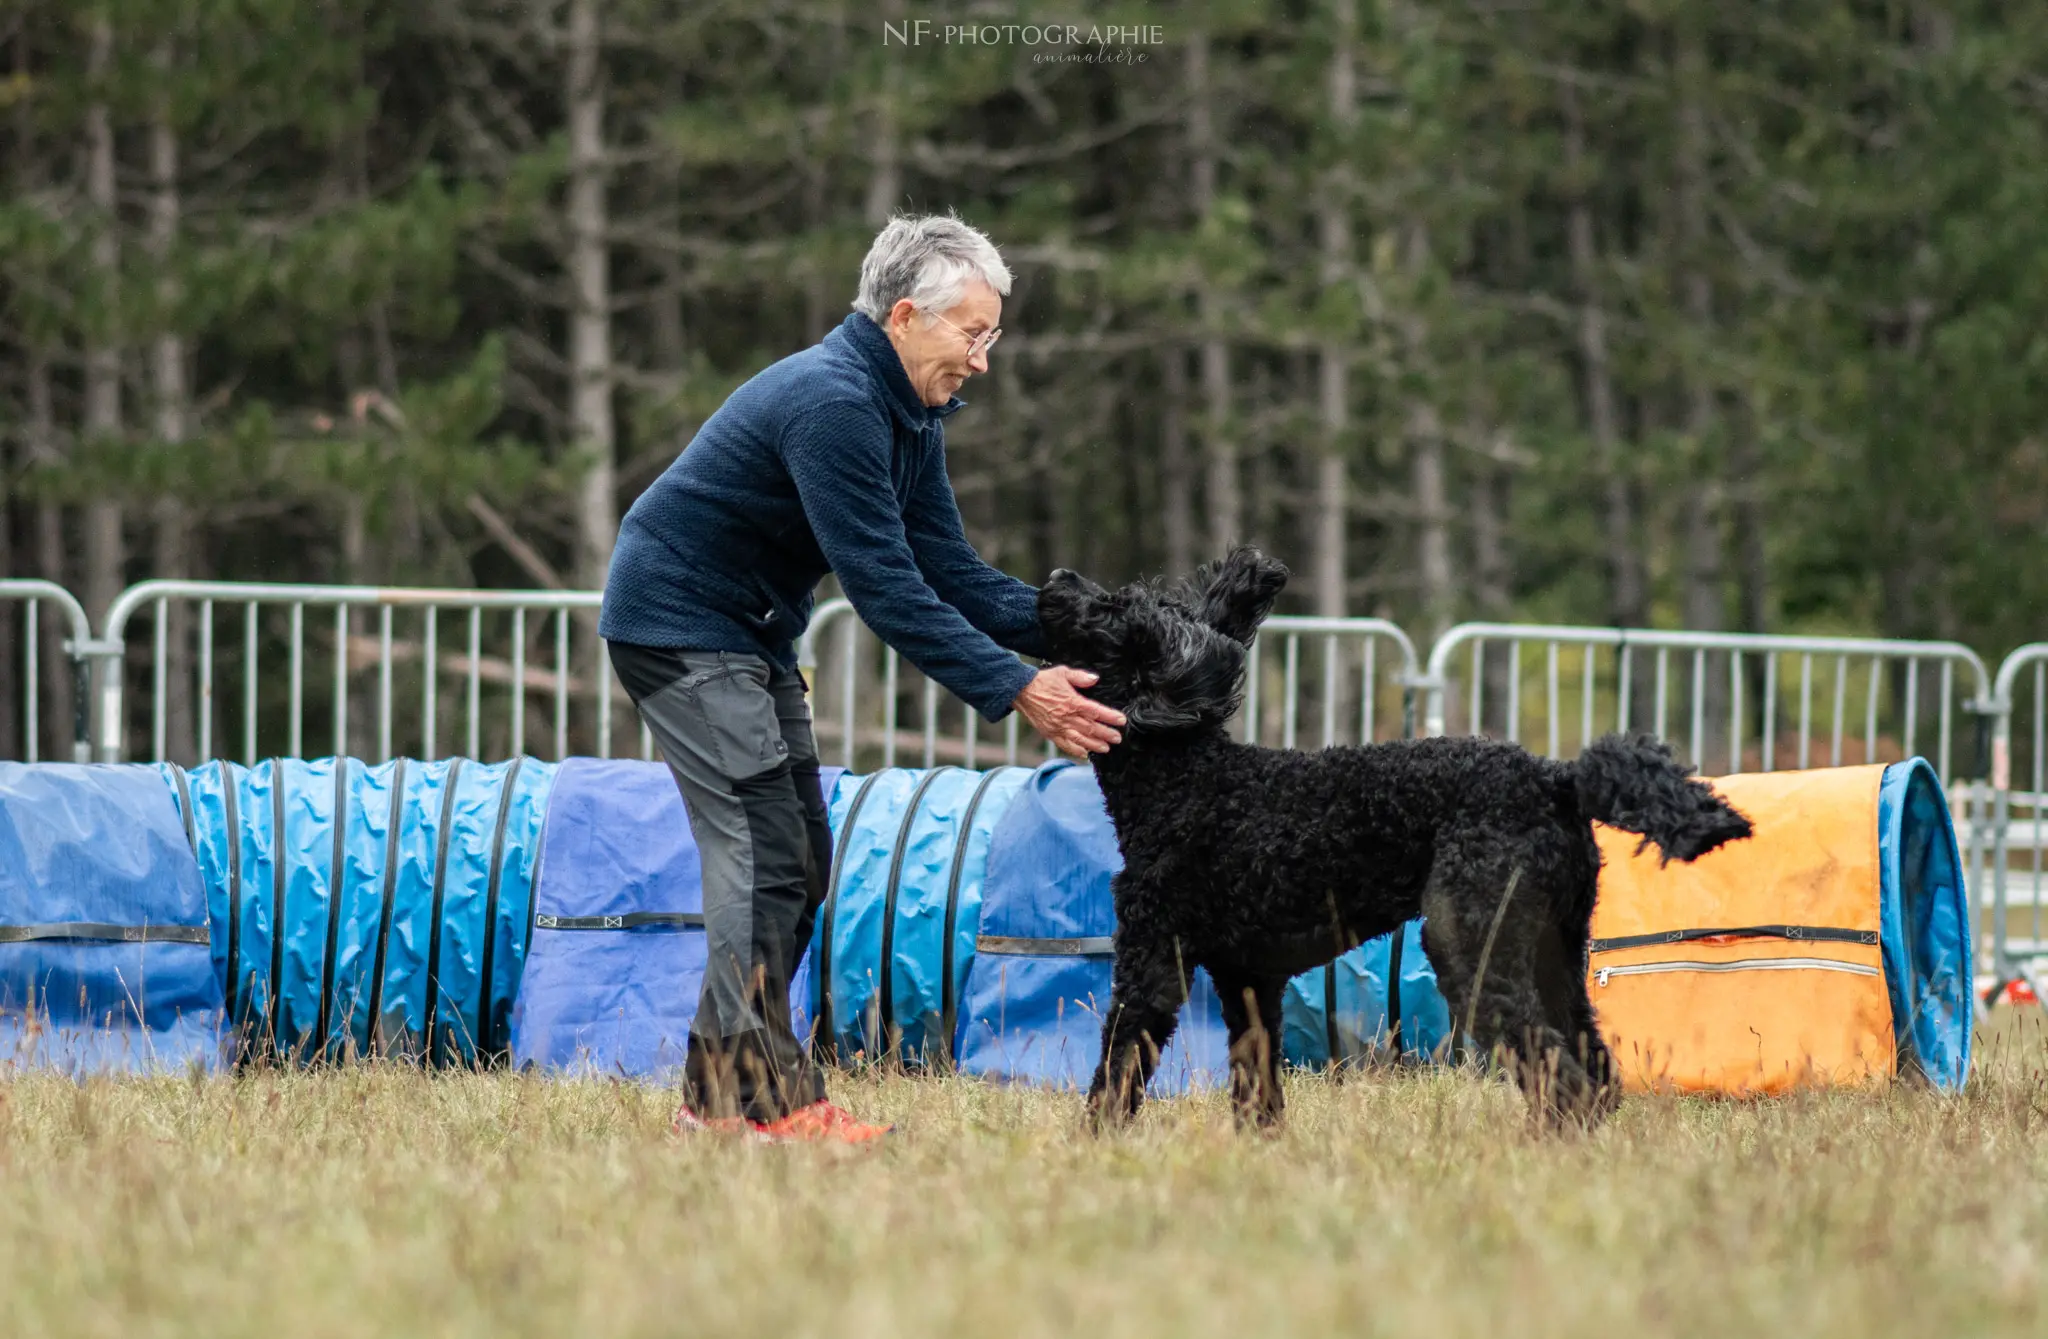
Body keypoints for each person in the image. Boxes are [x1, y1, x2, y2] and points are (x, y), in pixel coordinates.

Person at [598, 213, 1126, 1144]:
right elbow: (884, 588)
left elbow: (950, 572)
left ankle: (716, 1104)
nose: (984, 360)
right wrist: (1019, 687)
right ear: (907, 315)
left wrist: (1095, 626)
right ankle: (764, 1107)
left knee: (800, 858)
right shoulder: (836, 403)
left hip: (747, 635)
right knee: (765, 857)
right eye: (975, 334)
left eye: (992, 336)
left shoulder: (907, 413)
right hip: (679, 627)